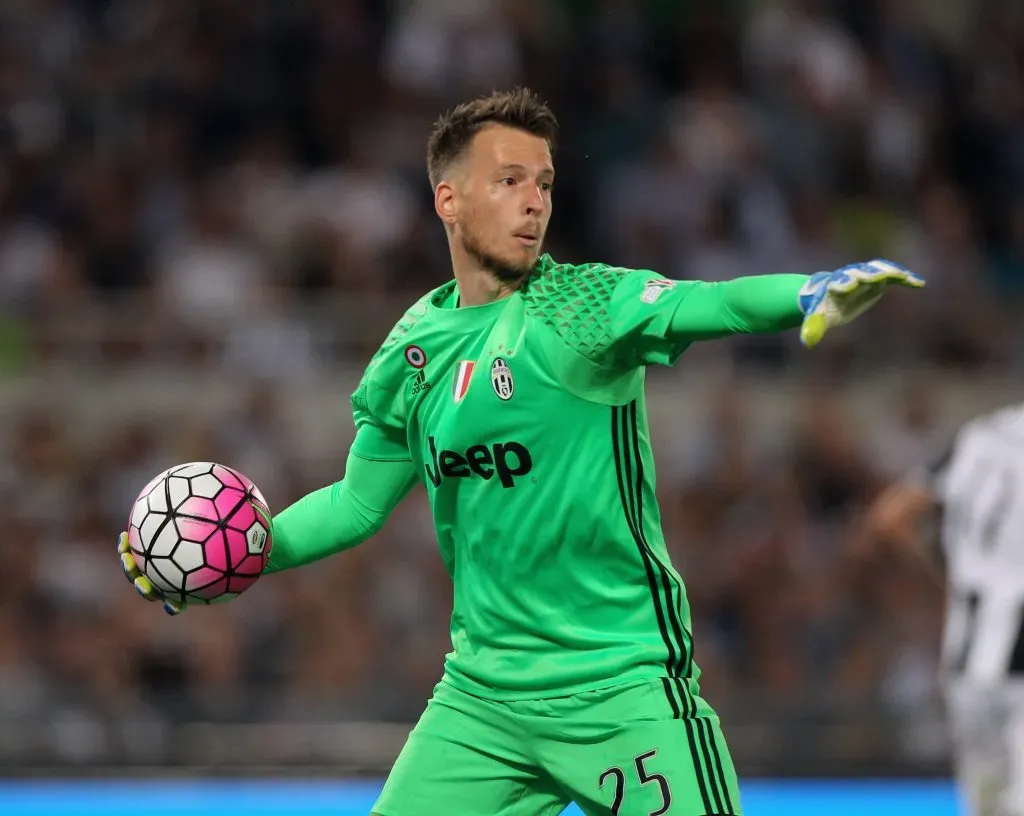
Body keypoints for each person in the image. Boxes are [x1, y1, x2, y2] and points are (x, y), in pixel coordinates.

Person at [119, 87, 923, 816]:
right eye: (509, 181)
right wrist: (238, 557)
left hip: (621, 688)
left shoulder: (583, 304)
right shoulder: (415, 348)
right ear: (449, 199)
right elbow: (357, 502)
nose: (534, 203)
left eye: (543, 183)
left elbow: (706, 304)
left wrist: (808, 292)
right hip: (483, 702)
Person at [862, 403, 1024, 816]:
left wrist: (949, 577)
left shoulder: (979, 435)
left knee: (985, 804)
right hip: (1018, 662)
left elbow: (889, 515)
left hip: (965, 661)